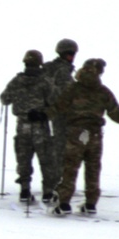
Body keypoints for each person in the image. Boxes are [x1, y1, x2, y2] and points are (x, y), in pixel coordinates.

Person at [47, 58, 119, 215]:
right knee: (93, 168)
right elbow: (116, 114)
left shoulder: (72, 89)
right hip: (95, 135)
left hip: (76, 133)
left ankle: (64, 203)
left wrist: (40, 115)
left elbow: (57, 107)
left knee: (70, 168)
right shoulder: (103, 91)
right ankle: (91, 203)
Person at [0, 49, 58, 203]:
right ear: (40, 64)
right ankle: (48, 192)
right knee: (46, 159)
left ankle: (24, 190)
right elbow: (55, 103)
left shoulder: (16, 81)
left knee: (23, 159)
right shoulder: (45, 82)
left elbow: (5, 99)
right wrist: (45, 113)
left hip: (22, 126)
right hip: (40, 126)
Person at [42, 38, 78, 182]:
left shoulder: (48, 68)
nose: (71, 56)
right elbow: (69, 93)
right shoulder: (62, 71)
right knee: (60, 146)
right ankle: (57, 180)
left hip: (46, 112)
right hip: (60, 113)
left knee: (51, 147)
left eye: (72, 53)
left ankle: (53, 180)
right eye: (68, 53)